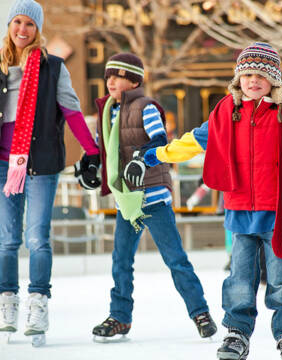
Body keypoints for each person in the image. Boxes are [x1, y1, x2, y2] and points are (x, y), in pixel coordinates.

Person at [134, 42, 282, 360]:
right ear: (238, 79)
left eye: (261, 75)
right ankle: (237, 333)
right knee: (239, 279)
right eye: (247, 74)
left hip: (278, 213)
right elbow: (192, 141)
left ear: (274, 81)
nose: (253, 81)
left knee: (281, 280)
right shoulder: (226, 114)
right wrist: (160, 153)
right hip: (240, 210)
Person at [91, 52, 217, 342]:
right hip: (128, 200)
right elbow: (106, 151)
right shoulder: (108, 110)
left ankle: (200, 313)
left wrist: (141, 158)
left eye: (117, 76)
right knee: (121, 260)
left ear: (134, 80)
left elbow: (160, 140)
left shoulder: (145, 107)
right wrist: (90, 163)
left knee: (175, 259)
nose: (110, 81)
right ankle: (120, 318)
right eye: (108, 76)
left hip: (154, 197)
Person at [0, 0, 100, 346]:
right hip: (3, 165)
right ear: (10, 27)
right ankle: (7, 301)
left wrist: (92, 150)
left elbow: (72, 111)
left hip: (40, 162)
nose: (22, 30)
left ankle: (38, 302)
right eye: (17, 23)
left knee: (37, 238)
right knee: (7, 240)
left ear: (37, 29)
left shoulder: (52, 67)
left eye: (29, 24)